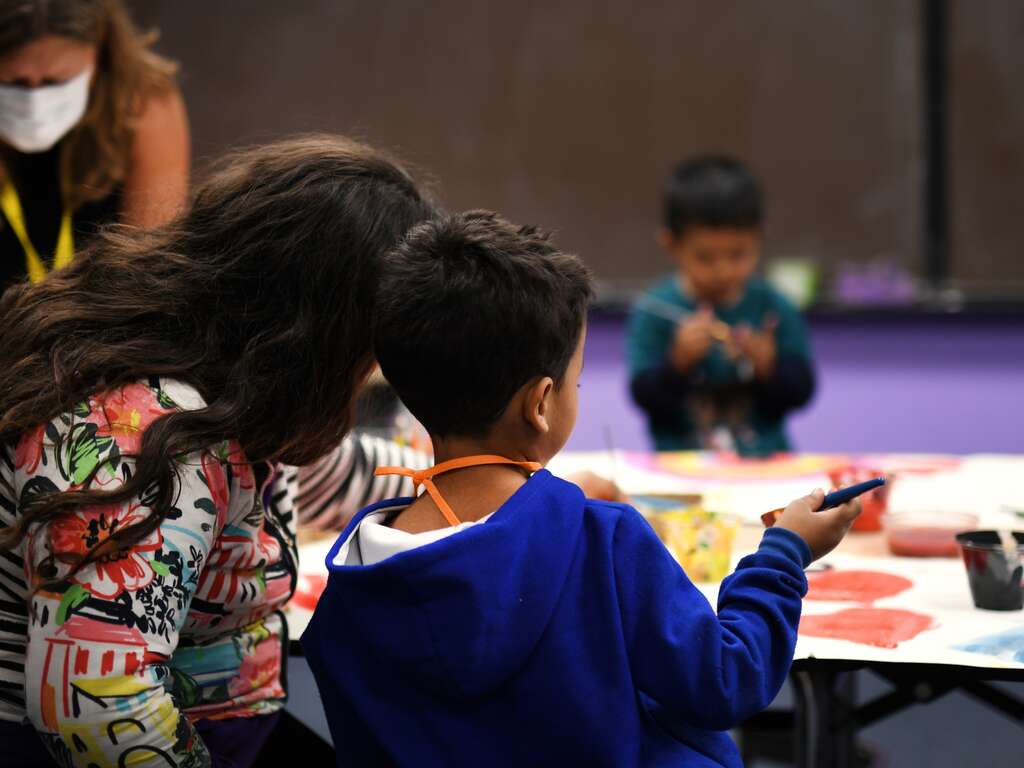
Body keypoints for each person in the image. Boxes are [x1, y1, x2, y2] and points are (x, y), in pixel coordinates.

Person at [302, 210, 860, 767]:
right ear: (541, 403)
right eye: (578, 380)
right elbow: (726, 679)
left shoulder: (350, 591)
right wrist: (786, 553)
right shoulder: (605, 544)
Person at [0, 134, 436, 768]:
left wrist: (478, 474)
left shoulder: (230, 370)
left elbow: (322, 475)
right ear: (322, 329)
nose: (373, 372)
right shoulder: (144, 429)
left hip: (217, 726)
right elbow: (95, 704)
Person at [627, 155, 815, 456]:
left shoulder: (774, 307)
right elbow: (645, 397)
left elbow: (802, 392)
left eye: (738, 254)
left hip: (766, 466)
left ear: (759, 238)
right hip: (680, 468)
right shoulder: (654, 310)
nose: (723, 271)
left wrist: (769, 367)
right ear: (671, 244)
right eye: (705, 258)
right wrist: (678, 363)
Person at [0, 0, 189, 295]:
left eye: (55, 81)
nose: (34, 102)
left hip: (99, 323)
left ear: (99, 47)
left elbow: (148, 274)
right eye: (14, 83)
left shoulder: (144, 102)